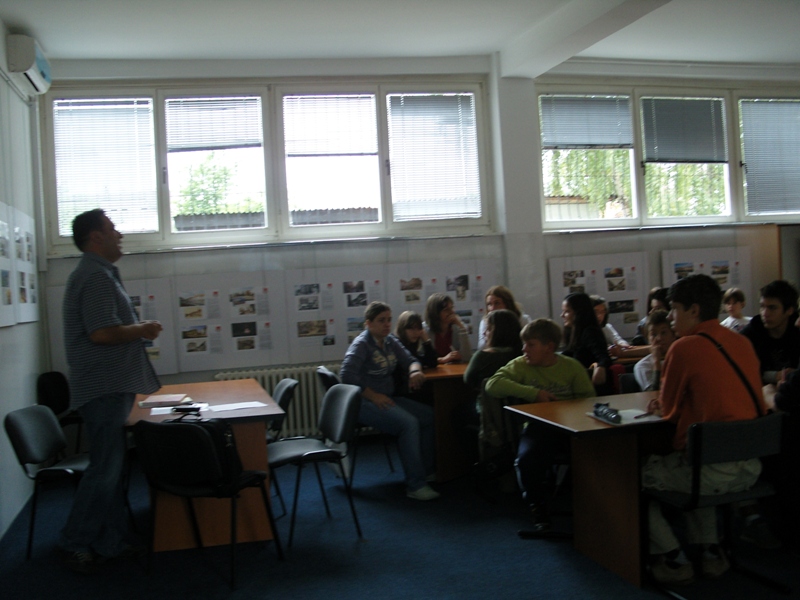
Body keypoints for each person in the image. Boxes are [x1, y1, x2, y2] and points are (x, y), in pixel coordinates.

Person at [642, 274, 766, 585]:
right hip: (751, 468)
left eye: (674, 309)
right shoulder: (742, 342)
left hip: (710, 472)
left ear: (694, 310)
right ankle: (711, 553)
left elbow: (668, 411)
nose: (671, 318)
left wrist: (663, 402)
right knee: (692, 464)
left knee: (629, 475)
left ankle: (671, 557)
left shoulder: (684, 348)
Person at [59, 209, 163, 574]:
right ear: (95, 237)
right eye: (112, 229)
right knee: (104, 470)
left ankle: (109, 542)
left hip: (109, 387)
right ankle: (75, 541)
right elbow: (101, 333)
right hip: (102, 388)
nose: (120, 235)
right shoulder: (95, 276)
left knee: (111, 470)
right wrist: (143, 329)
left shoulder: (98, 273)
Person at [486, 319, 595, 533]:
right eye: (524, 344)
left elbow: (589, 400)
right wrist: (533, 393)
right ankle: (537, 506)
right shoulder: (521, 364)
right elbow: (492, 384)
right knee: (526, 460)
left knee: (600, 452)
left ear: (549, 347)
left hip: (572, 425)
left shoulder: (571, 366)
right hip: (539, 426)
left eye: (531, 344)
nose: (524, 349)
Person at [340, 301, 439, 501]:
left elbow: (410, 360)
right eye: (381, 320)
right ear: (368, 323)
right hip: (364, 402)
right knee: (409, 424)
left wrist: (415, 371)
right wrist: (373, 395)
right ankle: (415, 484)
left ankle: (427, 471)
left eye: (388, 320)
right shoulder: (362, 344)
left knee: (429, 416)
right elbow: (347, 375)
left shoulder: (389, 341)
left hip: (387, 398)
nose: (387, 324)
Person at [458, 309, 522, 469]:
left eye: (488, 329)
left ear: (497, 331)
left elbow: (468, 380)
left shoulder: (483, 356)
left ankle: (472, 464)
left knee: (457, 414)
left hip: (489, 412)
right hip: (519, 413)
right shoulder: (523, 354)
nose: (484, 333)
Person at [741, 280, 800, 384]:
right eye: (762, 306)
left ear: (789, 310)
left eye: (772, 308)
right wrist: (774, 376)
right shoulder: (751, 333)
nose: (765, 313)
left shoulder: (797, 329)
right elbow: (742, 372)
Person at [560, 292, 613, 396]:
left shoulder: (590, 331)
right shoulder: (575, 332)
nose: (562, 315)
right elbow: (569, 353)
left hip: (591, 388)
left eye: (567, 311)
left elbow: (604, 357)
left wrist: (601, 367)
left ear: (578, 313)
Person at [591, 294, 649, 360]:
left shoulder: (606, 327)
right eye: (596, 312)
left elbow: (618, 339)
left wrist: (622, 345)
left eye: (602, 312)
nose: (600, 316)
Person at [476, 285, 531, 351]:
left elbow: (528, 344)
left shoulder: (523, 319)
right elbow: (482, 346)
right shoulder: (485, 322)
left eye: (497, 303)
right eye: (489, 304)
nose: (492, 308)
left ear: (507, 304)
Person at [633, 310, 676, 392]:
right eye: (653, 334)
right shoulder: (643, 366)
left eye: (663, 333)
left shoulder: (681, 358)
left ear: (673, 335)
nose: (659, 338)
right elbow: (653, 393)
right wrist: (656, 362)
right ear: (648, 339)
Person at [424, 293, 472, 364]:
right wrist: (443, 359)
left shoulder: (457, 327)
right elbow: (422, 359)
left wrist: (461, 327)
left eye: (452, 308)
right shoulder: (424, 330)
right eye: (446, 310)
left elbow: (467, 357)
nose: (452, 312)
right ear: (435, 313)